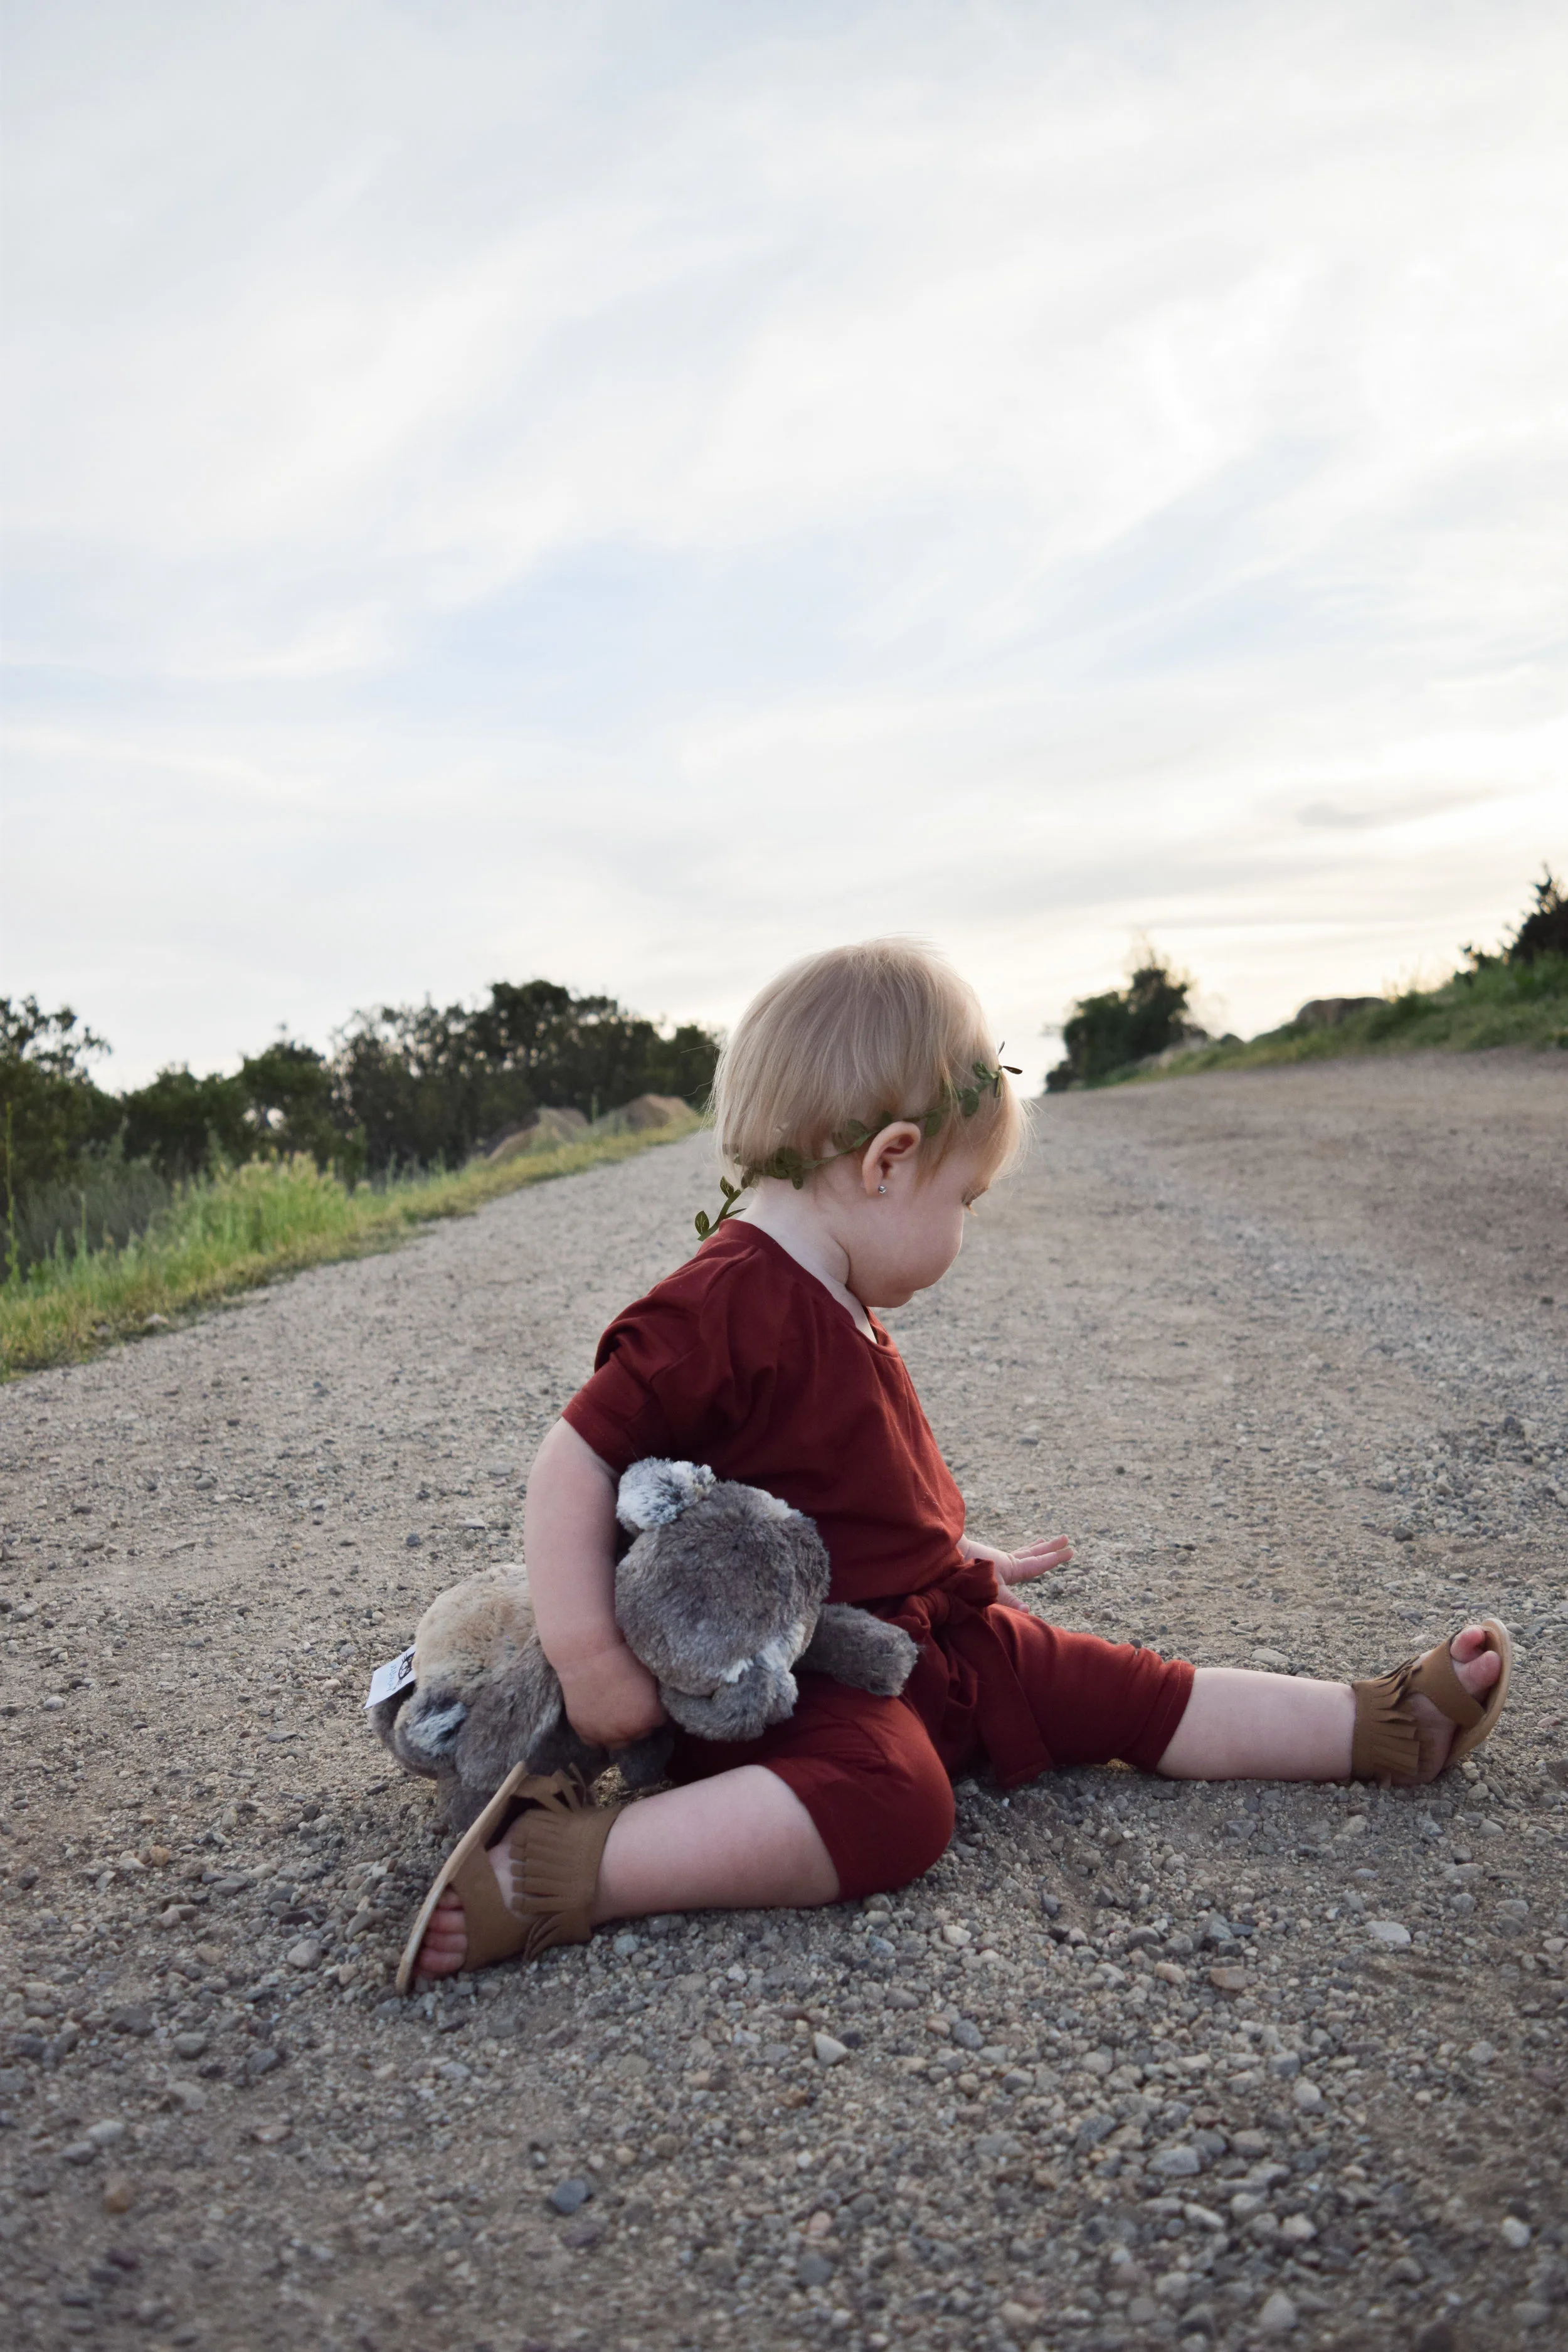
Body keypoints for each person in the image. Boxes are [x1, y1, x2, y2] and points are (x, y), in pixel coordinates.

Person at [399, 940, 1510, 1986]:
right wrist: (591, 1656)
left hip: (922, 1632)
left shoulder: (832, 1288)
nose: (963, 1230)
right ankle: (571, 1868)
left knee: (1120, 1684)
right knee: (897, 1803)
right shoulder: (723, 1301)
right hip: (797, 1678)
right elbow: (573, 1461)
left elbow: (836, 1483)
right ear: (889, 1162)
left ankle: (1370, 1723)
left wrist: (948, 1548)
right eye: (962, 1200)